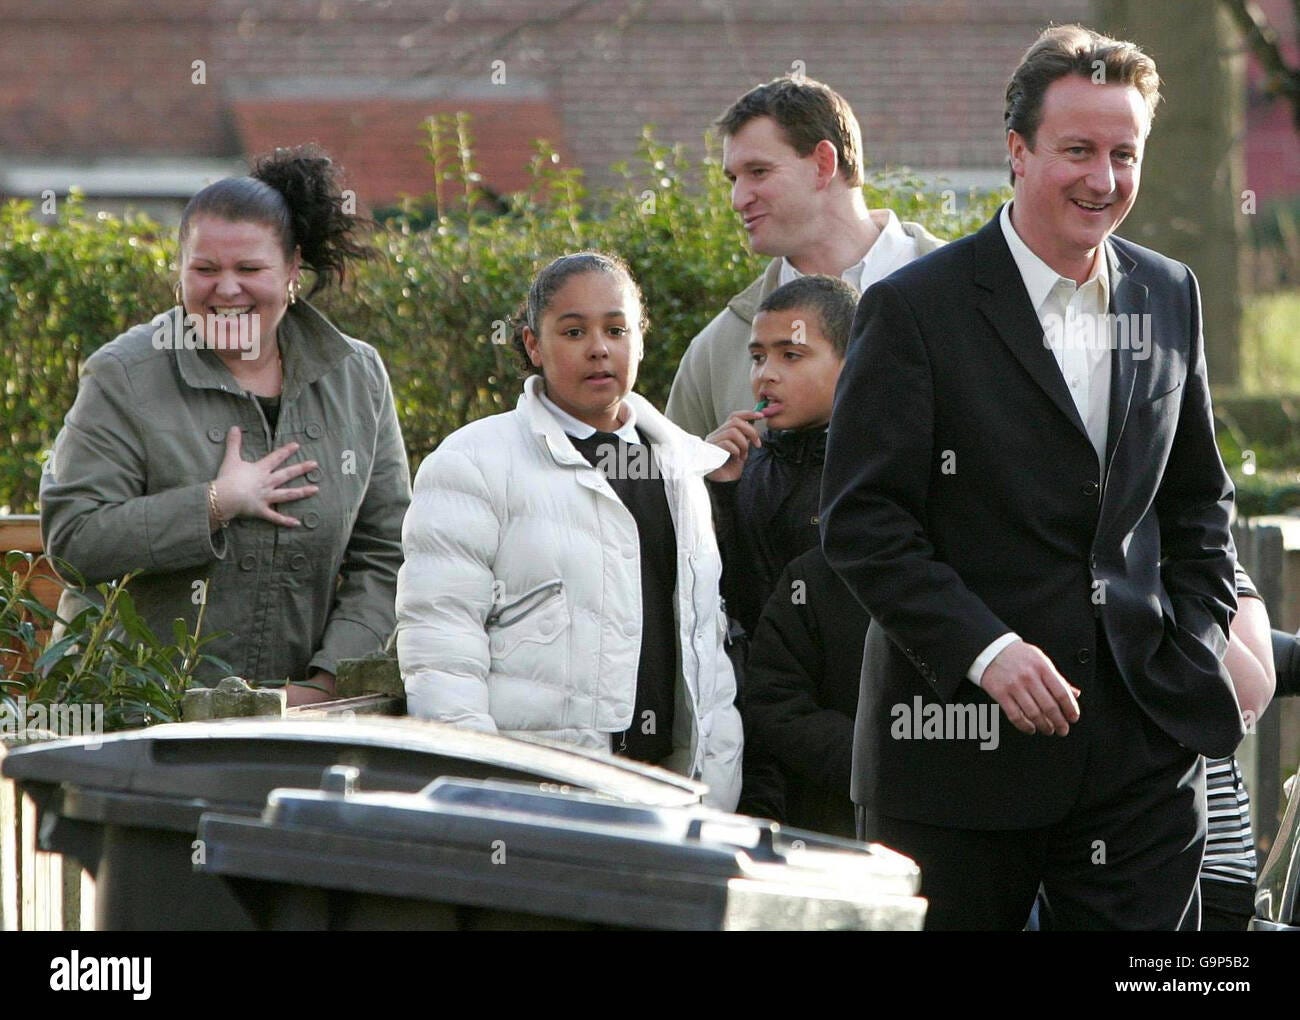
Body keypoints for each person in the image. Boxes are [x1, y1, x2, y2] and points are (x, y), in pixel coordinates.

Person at [821, 25, 1243, 929]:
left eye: (1124, 154)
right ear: (1017, 152)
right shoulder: (913, 309)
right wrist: (986, 651)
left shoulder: (1171, 294)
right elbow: (864, 522)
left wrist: (1190, 643)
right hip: (954, 757)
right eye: (1078, 150)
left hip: (1142, 757)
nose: (1103, 179)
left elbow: (1198, 503)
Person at [41, 146, 411, 707]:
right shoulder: (123, 375)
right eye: (206, 270)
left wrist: (326, 681)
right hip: (137, 716)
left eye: (250, 269)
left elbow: (386, 552)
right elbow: (74, 543)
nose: (228, 289)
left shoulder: (356, 375)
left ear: (291, 270)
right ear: (179, 273)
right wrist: (213, 503)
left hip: (304, 719)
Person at [396, 252, 743, 810]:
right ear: (534, 345)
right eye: (574, 330)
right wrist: (478, 789)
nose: (599, 347)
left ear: (640, 339)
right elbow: (441, 648)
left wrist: (719, 787)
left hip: (672, 796)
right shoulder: (472, 462)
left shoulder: (681, 467)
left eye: (616, 329)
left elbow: (706, 648)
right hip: (537, 795)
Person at [665, 75, 944, 438]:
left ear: (823, 164)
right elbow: (668, 490)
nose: (738, 200)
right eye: (733, 179)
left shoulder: (972, 295)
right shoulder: (715, 352)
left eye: (758, 172)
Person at [707, 274, 858, 637]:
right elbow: (731, 598)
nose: (766, 375)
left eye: (791, 355)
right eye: (758, 357)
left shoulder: (877, 469)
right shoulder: (744, 466)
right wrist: (718, 493)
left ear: (853, 359)